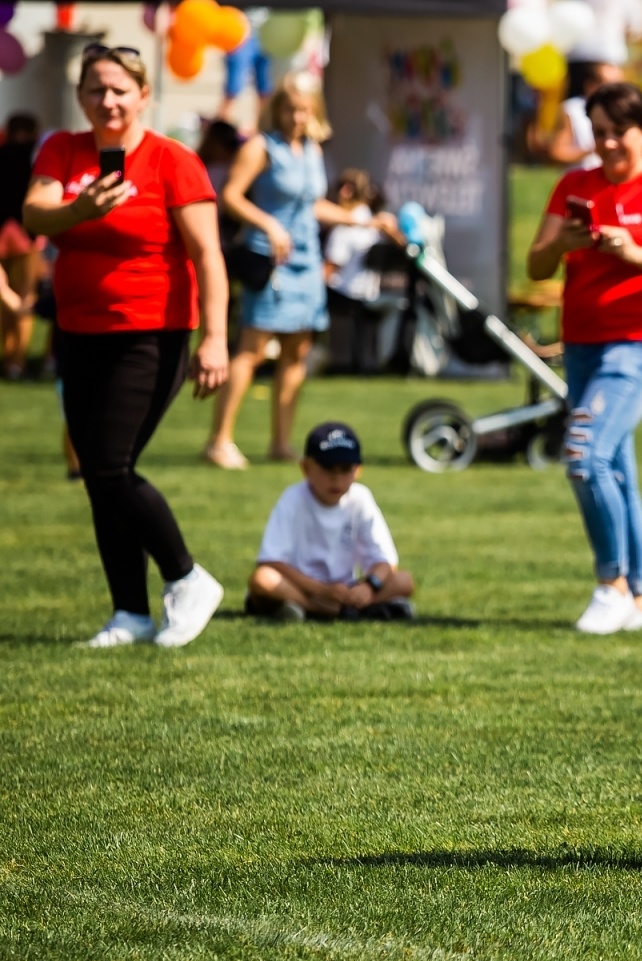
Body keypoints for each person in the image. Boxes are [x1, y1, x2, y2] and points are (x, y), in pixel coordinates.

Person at [23, 44, 229, 648]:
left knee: (109, 466)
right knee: (100, 475)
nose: (107, 101)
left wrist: (215, 338)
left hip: (151, 335)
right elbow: (35, 218)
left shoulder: (172, 161)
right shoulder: (62, 150)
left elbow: (206, 255)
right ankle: (130, 615)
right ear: (81, 95)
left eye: (119, 89)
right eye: (95, 90)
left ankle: (188, 578)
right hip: (79, 333)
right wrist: (78, 209)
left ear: (143, 95)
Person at [526, 82, 642, 634]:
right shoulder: (573, 185)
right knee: (616, 467)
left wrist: (635, 253)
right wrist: (564, 244)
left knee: (584, 455)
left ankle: (612, 585)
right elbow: (537, 266)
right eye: (598, 133)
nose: (606, 145)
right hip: (583, 346)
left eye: (617, 133)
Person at [205, 73, 380, 469]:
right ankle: (220, 440)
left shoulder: (313, 151)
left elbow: (313, 206)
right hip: (270, 261)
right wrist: (267, 224)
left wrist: (363, 221)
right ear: (277, 109)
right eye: (290, 108)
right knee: (251, 350)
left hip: (306, 262)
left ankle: (281, 442)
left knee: (296, 354)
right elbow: (229, 196)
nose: (297, 117)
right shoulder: (260, 148)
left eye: (304, 109)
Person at [246, 422, 416, 621]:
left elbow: (386, 561)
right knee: (263, 579)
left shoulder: (360, 498)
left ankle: (311, 610)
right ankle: (334, 611)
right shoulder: (293, 499)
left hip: (344, 590)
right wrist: (321, 590)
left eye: (345, 470)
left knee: (404, 581)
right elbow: (270, 561)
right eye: (328, 469)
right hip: (301, 587)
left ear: (358, 470)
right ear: (306, 467)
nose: (337, 479)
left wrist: (369, 587)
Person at [323, 168, 402, 375]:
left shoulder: (345, 229)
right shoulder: (376, 223)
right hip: (369, 293)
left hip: (347, 294)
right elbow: (403, 245)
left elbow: (329, 271)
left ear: (346, 191)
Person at [0, 112, 43, 379]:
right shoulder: (34, 159)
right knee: (25, 298)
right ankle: (17, 360)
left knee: (5, 297)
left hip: (2, 232)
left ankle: (8, 355)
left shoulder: (1, 153)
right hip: (26, 235)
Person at [547, 62, 623, 169]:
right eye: (607, 84)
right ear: (590, 84)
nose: (614, 90)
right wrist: (593, 150)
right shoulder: (572, 110)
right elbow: (558, 153)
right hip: (581, 180)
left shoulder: (622, 110)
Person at [566, 0, 642, 90]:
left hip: (578, 53)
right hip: (609, 55)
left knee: (576, 100)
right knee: (610, 99)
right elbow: (637, 26)